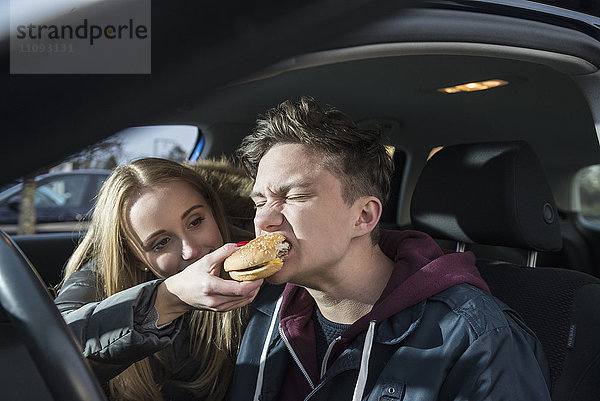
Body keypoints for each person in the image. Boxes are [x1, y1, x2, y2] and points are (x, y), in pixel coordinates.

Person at [228, 97, 552, 401]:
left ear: (364, 216)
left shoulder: (475, 336)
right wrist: (176, 299)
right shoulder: (263, 312)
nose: (264, 220)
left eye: (294, 197)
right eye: (259, 201)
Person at [54, 157, 262, 401]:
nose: (190, 251)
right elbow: (54, 352)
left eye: (195, 221)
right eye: (161, 243)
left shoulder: (255, 257)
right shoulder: (96, 281)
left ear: (214, 212)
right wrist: (169, 298)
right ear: (134, 257)